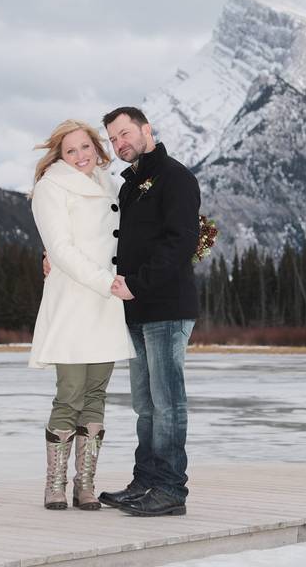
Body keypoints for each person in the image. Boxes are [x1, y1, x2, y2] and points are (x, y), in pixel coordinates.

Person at [28, 119, 135, 511]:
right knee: (70, 394)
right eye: (70, 151)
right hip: (76, 300)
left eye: (85, 148)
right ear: (59, 155)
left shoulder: (112, 185)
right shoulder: (50, 188)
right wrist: (105, 281)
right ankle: (54, 485)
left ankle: (84, 485)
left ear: (96, 147)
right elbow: (60, 248)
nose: (79, 157)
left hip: (106, 304)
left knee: (95, 397)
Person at [100, 106, 201, 516]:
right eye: (113, 139)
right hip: (136, 311)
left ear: (146, 129)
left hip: (167, 308)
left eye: (125, 133)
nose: (120, 143)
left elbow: (180, 243)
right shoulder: (130, 185)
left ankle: (171, 489)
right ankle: (146, 481)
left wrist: (136, 284)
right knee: (146, 404)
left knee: (168, 402)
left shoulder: (175, 178)